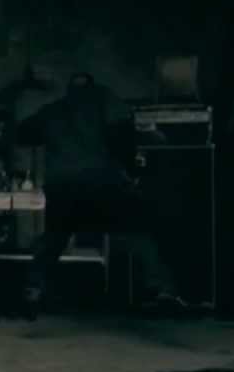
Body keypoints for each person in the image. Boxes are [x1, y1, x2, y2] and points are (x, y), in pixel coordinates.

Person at [14, 73, 185, 319]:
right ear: (92, 87)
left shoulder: (53, 110)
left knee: (53, 239)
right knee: (135, 229)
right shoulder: (104, 99)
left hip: (62, 186)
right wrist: (133, 170)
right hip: (100, 181)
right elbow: (121, 135)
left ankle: (33, 290)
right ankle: (163, 289)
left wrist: (54, 137)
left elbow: (23, 133)